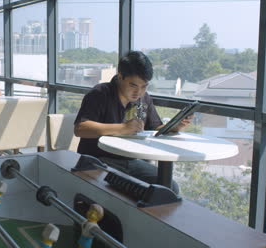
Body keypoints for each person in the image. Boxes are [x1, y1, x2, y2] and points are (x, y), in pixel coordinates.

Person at [73, 51, 193, 194]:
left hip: (130, 161)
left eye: (144, 86)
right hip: (98, 159)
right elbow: (80, 128)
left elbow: (155, 127)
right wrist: (122, 128)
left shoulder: (144, 99)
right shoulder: (100, 93)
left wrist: (173, 126)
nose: (139, 92)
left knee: (169, 187)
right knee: (142, 191)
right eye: (133, 85)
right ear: (120, 77)